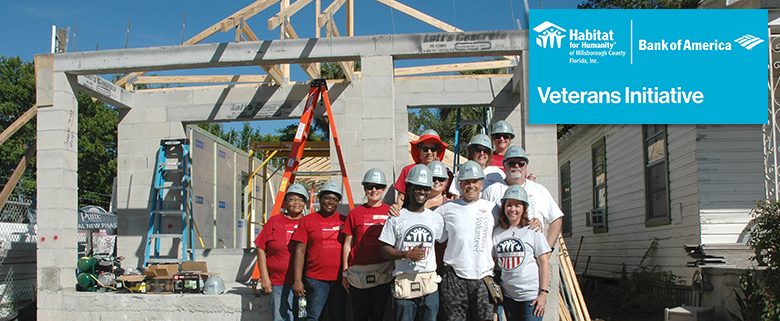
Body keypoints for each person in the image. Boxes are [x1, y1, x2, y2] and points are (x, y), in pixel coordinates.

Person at [435, 161, 500, 321]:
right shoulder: (446, 209)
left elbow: (513, 224)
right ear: (460, 184)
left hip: (484, 277)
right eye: (466, 182)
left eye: (475, 181)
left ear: (481, 183)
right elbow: (424, 221)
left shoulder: (493, 209)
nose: (471, 185)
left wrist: (533, 221)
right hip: (454, 277)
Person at [379, 164, 445, 321]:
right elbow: (384, 250)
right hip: (405, 283)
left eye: (425, 188)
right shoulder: (397, 217)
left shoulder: (436, 218)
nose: (422, 192)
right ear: (409, 189)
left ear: (429, 191)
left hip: (428, 283)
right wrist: (406, 254)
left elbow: (444, 241)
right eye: (417, 187)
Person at [482, 145, 563, 246]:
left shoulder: (539, 190)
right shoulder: (491, 191)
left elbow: (556, 219)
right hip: (500, 256)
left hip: (533, 258)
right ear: (504, 165)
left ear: (526, 166)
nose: (516, 166)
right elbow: (481, 221)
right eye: (512, 163)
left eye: (521, 163)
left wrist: (548, 249)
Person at [341, 168, 393, 321]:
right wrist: (345, 272)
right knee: (360, 315)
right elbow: (347, 245)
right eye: (369, 186)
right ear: (364, 188)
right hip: (358, 273)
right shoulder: (355, 214)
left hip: (384, 271)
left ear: (384, 188)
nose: (374, 190)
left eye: (378, 186)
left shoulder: (391, 212)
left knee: (379, 315)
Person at [493, 185, 551, 321]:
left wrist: (543, 293)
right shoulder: (497, 233)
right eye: (509, 205)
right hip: (509, 296)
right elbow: (494, 262)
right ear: (504, 207)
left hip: (531, 297)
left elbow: (544, 262)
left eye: (517, 205)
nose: (512, 209)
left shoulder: (532, 230)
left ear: (524, 208)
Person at [292, 180, 347, 321]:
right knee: (313, 316)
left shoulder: (344, 220)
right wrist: (297, 280)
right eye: (327, 198)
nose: (330, 202)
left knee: (337, 316)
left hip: (339, 280)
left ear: (338, 202)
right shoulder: (307, 221)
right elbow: (300, 252)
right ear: (320, 198)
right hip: (315, 280)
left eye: (335, 199)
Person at [255, 183, 309, 321]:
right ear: (285, 202)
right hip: (279, 282)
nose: (296, 202)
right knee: (280, 318)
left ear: (305, 203)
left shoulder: (309, 222)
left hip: (304, 283)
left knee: (302, 317)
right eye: (292, 199)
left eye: (300, 199)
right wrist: (265, 277)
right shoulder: (274, 221)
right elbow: (261, 248)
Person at [392, 129, 449, 211]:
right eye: (425, 149)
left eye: (433, 149)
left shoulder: (445, 172)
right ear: (419, 150)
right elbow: (401, 198)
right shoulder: (408, 170)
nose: (429, 152)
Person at [449, 134, 505, 198]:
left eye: (485, 151)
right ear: (472, 152)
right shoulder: (461, 173)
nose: (482, 153)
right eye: (478, 150)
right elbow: (457, 197)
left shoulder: (498, 174)